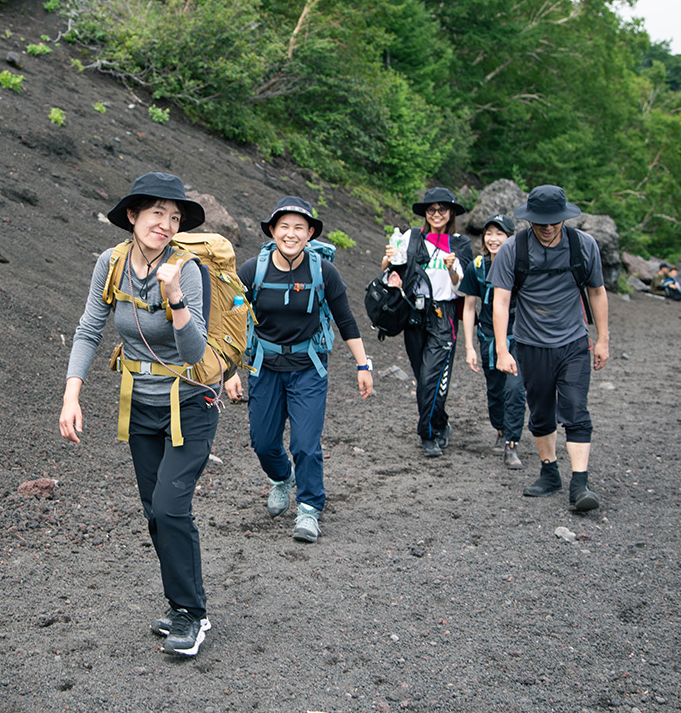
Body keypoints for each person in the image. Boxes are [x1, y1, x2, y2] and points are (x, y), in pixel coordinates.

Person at [59, 172, 218, 658]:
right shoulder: (111, 263)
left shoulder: (188, 269)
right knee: (155, 512)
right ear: (132, 216)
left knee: (171, 507)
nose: (166, 225)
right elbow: (89, 329)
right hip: (141, 405)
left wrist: (174, 298)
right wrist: (72, 394)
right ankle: (181, 604)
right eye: (156, 214)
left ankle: (192, 614)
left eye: (174, 218)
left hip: (189, 404)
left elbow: (193, 351)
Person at [223, 196, 373, 543]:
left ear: (310, 234)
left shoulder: (323, 271)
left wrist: (362, 364)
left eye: (299, 228)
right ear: (273, 231)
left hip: (309, 367)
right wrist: (229, 370)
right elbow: (230, 320)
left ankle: (309, 508)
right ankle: (281, 478)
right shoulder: (251, 271)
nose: (291, 234)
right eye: (284, 227)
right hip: (265, 366)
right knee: (263, 442)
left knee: (306, 444)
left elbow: (345, 320)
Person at [491, 185, 610, 513]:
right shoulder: (513, 250)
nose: (546, 227)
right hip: (530, 345)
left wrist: (602, 339)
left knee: (575, 408)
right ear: (529, 219)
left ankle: (580, 482)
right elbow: (501, 300)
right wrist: (502, 349)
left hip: (573, 342)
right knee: (541, 410)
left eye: (552, 221)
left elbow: (597, 292)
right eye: (539, 221)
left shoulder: (583, 246)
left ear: (564, 218)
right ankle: (549, 472)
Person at [381, 187, 474, 457]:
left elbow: (464, 288)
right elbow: (391, 272)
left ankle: (428, 434)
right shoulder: (411, 237)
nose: (436, 214)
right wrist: (387, 259)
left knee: (433, 375)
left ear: (451, 212)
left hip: (443, 315)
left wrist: (452, 268)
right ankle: (440, 421)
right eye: (431, 210)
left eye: (442, 209)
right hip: (414, 313)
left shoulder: (460, 244)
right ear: (425, 213)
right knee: (423, 377)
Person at [458, 214, 526, 469]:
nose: (494, 239)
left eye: (500, 233)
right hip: (487, 335)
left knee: (516, 389)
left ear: (510, 238)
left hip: (518, 334)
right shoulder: (477, 266)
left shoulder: (521, 266)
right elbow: (468, 308)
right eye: (489, 233)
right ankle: (500, 430)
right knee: (496, 390)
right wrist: (468, 347)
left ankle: (512, 443)